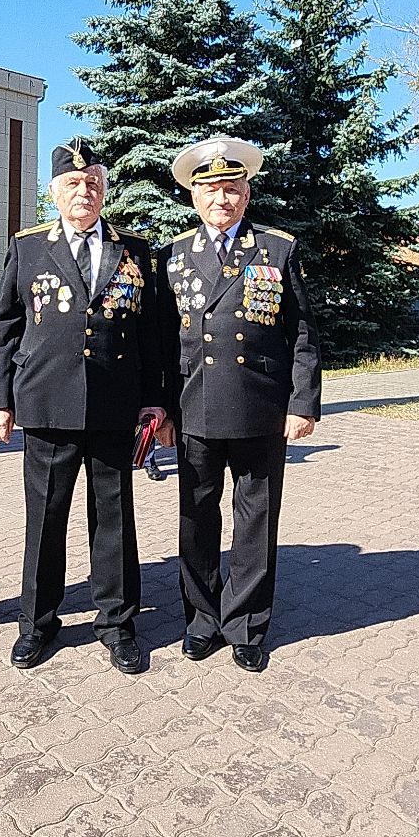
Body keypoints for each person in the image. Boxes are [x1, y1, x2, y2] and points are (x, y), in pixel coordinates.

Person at [0, 141, 170, 675]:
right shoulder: (26, 249)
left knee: (113, 520)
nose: (84, 191)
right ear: (54, 192)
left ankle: (117, 625)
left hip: (115, 407)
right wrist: (1, 399)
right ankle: (37, 626)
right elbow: (4, 328)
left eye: (93, 182)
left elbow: (153, 332)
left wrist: (155, 399)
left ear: (104, 190)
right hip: (45, 405)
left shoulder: (134, 250)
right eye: (73, 183)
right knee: (44, 522)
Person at [162, 136, 321, 673]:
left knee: (257, 518)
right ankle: (202, 620)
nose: (221, 199)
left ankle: (247, 623)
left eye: (231, 188)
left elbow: (301, 333)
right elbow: (163, 344)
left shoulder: (277, 249)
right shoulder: (176, 255)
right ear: (194, 198)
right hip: (195, 406)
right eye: (210, 190)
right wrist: (159, 410)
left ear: (246, 194)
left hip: (260, 406)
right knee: (197, 518)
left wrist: (302, 404)